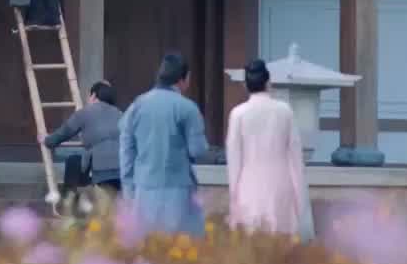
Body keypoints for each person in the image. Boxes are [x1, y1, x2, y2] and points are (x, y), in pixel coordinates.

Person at [119, 51, 206, 236]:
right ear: (183, 79)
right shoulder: (187, 107)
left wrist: (128, 187)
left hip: (143, 186)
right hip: (178, 188)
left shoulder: (136, 105)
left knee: (146, 245)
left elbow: (126, 149)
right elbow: (198, 150)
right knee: (180, 245)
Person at [226, 58, 312, 239]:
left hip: (249, 186)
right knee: (281, 243)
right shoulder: (285, 110)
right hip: (281, 184)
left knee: (252, 243)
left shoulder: (238, 114)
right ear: (268, 82)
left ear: (245, 85)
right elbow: (296, 159)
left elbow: (234, 161)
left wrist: (233, 197)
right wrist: (300, 200)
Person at [43, 79, 122, 196]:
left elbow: (62, 134)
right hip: (123, 167)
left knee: (73, 161)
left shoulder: (85, 112)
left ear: (93, 96)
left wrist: (46, 140)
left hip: (101, 168)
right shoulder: (120, 114)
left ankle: (69, 199)